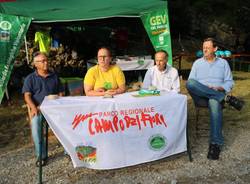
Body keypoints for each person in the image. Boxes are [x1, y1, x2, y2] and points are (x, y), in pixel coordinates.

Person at [186, 38, 244, 160]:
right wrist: (204, 88)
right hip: (200, 97)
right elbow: (191, 84)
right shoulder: (197, 63)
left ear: (215, 49)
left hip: (216, 94)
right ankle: (226, 99)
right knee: (190, 82)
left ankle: (215, 144)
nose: (205, 49)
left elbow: (229, 82)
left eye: (207, 47)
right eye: (203, 47)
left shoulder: (223, 63)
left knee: (214, 101)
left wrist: (220, 87)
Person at [22, 52, 64, 166]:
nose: (46, 63)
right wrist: (33, 108)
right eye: (42, 61)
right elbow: (27, 96)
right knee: (35, 126)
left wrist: (59, 101)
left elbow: (61, 92)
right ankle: (42, 156)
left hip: (54, 109)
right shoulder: (30, 78)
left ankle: (68, 150)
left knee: (67, 123)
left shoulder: (54, 76)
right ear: (36, 64)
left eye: (46, 60)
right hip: (39, 110)